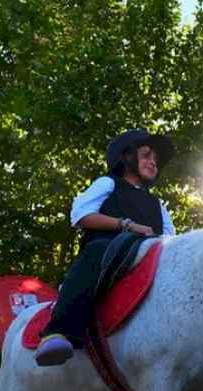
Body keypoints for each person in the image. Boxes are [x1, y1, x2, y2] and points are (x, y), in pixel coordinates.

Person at [36, 128, 177, 366]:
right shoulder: (108, 183)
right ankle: (57, 331)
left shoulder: (157, 204)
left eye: (156, 159)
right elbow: (80, 215)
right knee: (98, 249)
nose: (153, 162)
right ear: (127, 157)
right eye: (146, 155)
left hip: (148, 259)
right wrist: (127, 225)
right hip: (107, 258)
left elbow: (171, 238)